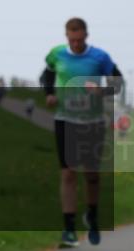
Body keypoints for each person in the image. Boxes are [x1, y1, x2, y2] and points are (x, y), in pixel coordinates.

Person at [40, 17, 124, 248]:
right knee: (68, 174)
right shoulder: (57, 54)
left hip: (93, 122)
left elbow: (118, 83)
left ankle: (92, 215)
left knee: (91, 174)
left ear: (86, 36)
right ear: (66, 36)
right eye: (72, 39)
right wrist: (49, 93)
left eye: (80, 39)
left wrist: (102, 90)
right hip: (65, 119)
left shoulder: (100, 57)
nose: (76, 44)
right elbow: (46, 74)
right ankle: (68, 229)